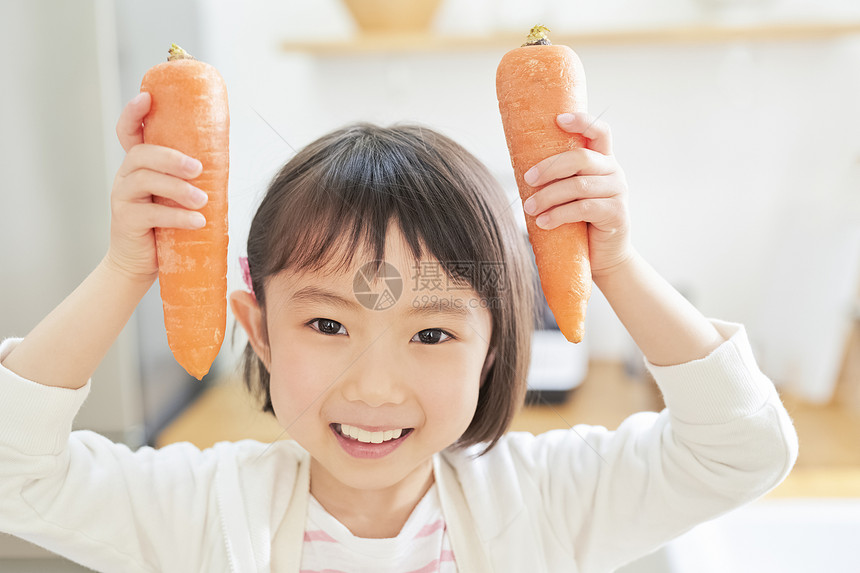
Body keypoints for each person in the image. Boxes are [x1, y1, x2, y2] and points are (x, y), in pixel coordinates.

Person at [0, 92, 798, 573]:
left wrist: (613, 263)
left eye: (431, 335)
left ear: (495, 347)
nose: (374, 387)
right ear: (261, 334)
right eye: (325, 322)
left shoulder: (548, 499)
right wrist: (122, 272)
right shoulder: (202, 511)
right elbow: (14, 473)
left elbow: (741, 449)